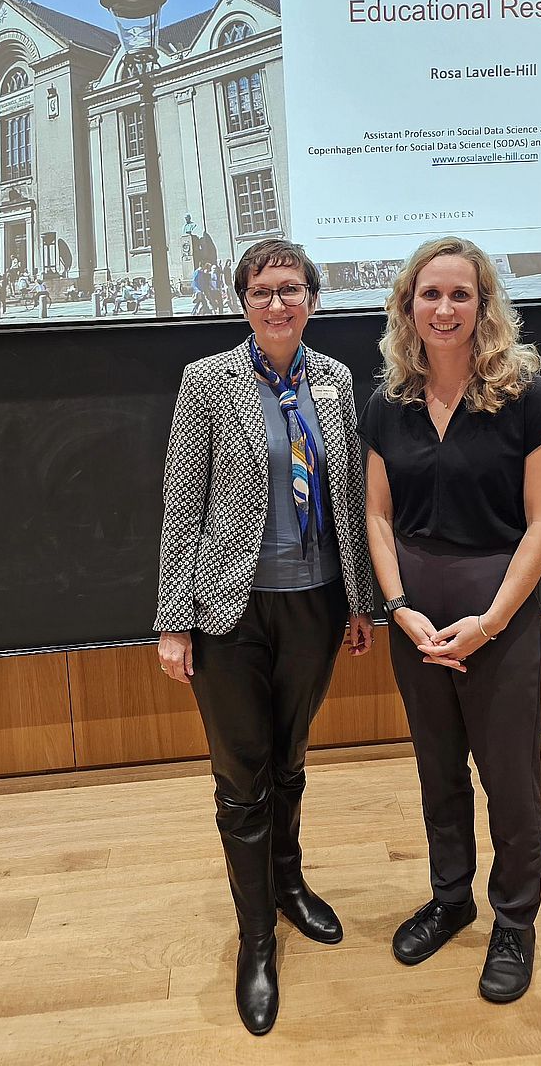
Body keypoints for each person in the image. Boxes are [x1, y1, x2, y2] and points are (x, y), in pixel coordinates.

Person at [156, 237, 375, 1035]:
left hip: (315, 605)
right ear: (242, 302)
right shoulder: (207, 382)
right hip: (229, 610)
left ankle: (289, 883)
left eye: (290, 289)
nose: (277, 303)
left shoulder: (336, 380)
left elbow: (348, 497)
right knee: (241, 777)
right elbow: (183, 507)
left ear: (313, 299)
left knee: (289, 760)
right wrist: (172, 619)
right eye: (261, 291)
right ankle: (256, 943)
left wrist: (361, 602)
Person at [360, 236, 541, 1004]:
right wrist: (399, 609)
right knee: (437, 766)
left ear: (484, 306)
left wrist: (488, 623)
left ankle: (514, 921)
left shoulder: (527, 396)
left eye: (460, 295)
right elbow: (378, 519)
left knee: (510, 778)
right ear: (407, 308)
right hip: (414, 611)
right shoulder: (387, 403)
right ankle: (451, 898)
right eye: (429, 295)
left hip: (499, 604)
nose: (443, 309)